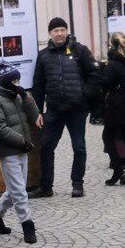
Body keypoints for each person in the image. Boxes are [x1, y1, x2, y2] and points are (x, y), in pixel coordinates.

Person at [29, 17, 98, 198]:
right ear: (50, 34)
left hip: (77, 110)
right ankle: (46, 187)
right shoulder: (43, 55)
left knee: (79, 147)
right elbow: (38, 85)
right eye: (55, 31)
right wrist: (37, 111)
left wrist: (85, 94)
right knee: (46, 147)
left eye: (62, 30)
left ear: (66, 31)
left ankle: (77, 183)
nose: (59, 33)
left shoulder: (80, 50)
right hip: (54, 110)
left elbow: (94, 74)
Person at [0, 60, 41, 243]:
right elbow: (0, 128)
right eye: (14, 81)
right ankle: (27, 225)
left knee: (16, 188)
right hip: (9, 152)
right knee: (19, 191)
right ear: (5, 81)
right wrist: (22, 141)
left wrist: (26, 96)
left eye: (18, 81)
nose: (17, 84)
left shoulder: (19, 97)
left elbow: (34, 114)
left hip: (22, 149)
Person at [97, 32, 125, 187]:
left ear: (111, 45)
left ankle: (118, 170)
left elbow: (105, 84)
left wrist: (101, 70)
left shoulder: (113, 63)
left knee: (108, 137)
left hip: (116, 106)